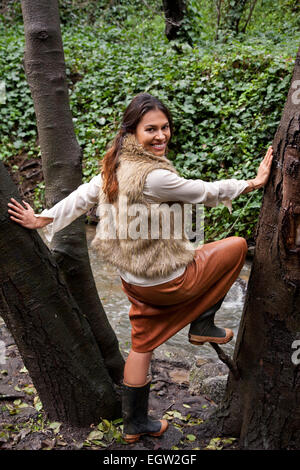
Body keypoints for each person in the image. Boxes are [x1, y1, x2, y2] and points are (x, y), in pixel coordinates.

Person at [7, 93, 273, 444]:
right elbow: (204, 191)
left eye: (165, 127)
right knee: (236, 246)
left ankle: (134, 424)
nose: (161, 136)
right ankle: (203, 323)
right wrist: (253, 183)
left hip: (134, 283)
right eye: (152, 129)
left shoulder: (115, 166)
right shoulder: (154, 177)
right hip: (168, 281)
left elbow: (85, 194)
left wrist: (44, 218)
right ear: (132, 132)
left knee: (141, 347)